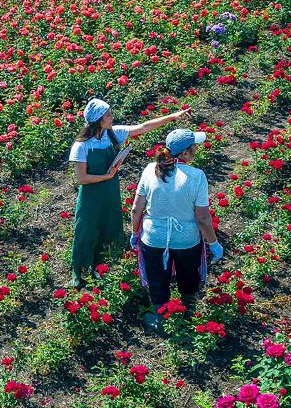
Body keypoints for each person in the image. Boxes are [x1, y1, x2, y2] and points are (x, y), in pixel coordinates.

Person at [67, 98, 189, 288]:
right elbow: (82, 178)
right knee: (86, 230)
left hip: (110, 191)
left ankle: (103, 268)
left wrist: (173, 116)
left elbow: (143, 127)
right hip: (91, 195)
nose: (111, 117)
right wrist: (107, 176)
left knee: (110, 226)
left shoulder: (113, 134)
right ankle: (80, 273)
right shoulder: (82, 145)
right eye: (108, 114)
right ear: (99, 119)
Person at [129, 128, 224, 331]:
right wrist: (213, 243)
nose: (197, 148)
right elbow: (203, 218)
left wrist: (135, 233)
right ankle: (188, 313)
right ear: (184, 153)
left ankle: (161, 318)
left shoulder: (149, 170)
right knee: (188, 275)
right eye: (194, 146)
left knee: (157, 278)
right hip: (186, 240)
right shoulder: (196, 176)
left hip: (153, 238)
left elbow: (137, 208)